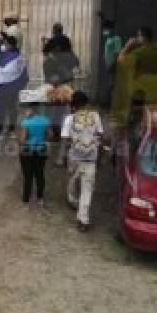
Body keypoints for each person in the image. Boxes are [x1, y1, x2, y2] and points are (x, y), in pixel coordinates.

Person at [60, 91, 104, 231]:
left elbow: (65, 139)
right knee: (87, 189)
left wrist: (62, 157)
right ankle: (83, 220)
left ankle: (73, 201)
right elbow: (100, 137)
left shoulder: (69, 119)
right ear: (87, 103)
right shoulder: (95, 116)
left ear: (74, 104)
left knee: (72, 181)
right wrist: (100, 157)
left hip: (74, 157)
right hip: (90, 158)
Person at [18, 105, 53, 206]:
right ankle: (40, 198)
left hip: (27, 151)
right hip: (41, 150)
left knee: (28, 176)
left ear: (30, 110)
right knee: (40, 174)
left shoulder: (26, 122)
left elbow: (22, 140)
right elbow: (50, 135)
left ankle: (26, 198)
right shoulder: (46, 120)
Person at [0, 35, 28, 140]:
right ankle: (11, 130)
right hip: (13, 87)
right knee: (12, 109)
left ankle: (0, 131)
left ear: (9, 44)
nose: (3, 45)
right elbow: (23, 71)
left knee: (2, 109)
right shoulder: (19, 55)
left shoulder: (4, 55)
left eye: (5, 43)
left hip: (3, 86)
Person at [101, 19, 124, 105]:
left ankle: (109, 102)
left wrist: (114, 64)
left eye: (106, 29)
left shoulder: (116, 39)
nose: (104, 31)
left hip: (114, 65)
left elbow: (118, 53)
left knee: (113, 84)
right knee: (111, 84)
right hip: (109, 65)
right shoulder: (109, 38)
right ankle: (110, 101)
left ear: (111, 29)